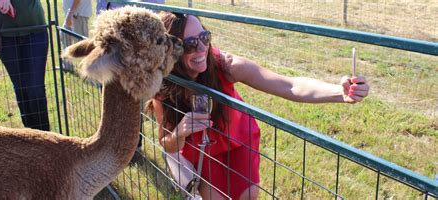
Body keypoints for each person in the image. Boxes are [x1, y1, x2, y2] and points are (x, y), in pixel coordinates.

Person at [149, 12, 370, 200]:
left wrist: (339, 93)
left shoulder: (226, 65)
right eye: (190, 44)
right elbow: (167, 144)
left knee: (248, 196)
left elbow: (290, 85)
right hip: (202, 149)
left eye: (205, 37)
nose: (202, 48)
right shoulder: (165, 85)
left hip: (238, 137)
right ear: (172, 50)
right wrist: (180, 133)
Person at [0, 0, 50, 131]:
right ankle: (29, 136)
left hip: (35, 30)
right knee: (21, 88)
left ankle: (46, 139)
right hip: (4, 34)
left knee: (35, 89)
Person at [61, 0, 92, 71]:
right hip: (71, 13)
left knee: (82, 44)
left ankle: (88, 71)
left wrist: (71, 12)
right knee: (65, 36)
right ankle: (67, 66)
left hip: (78, 14)